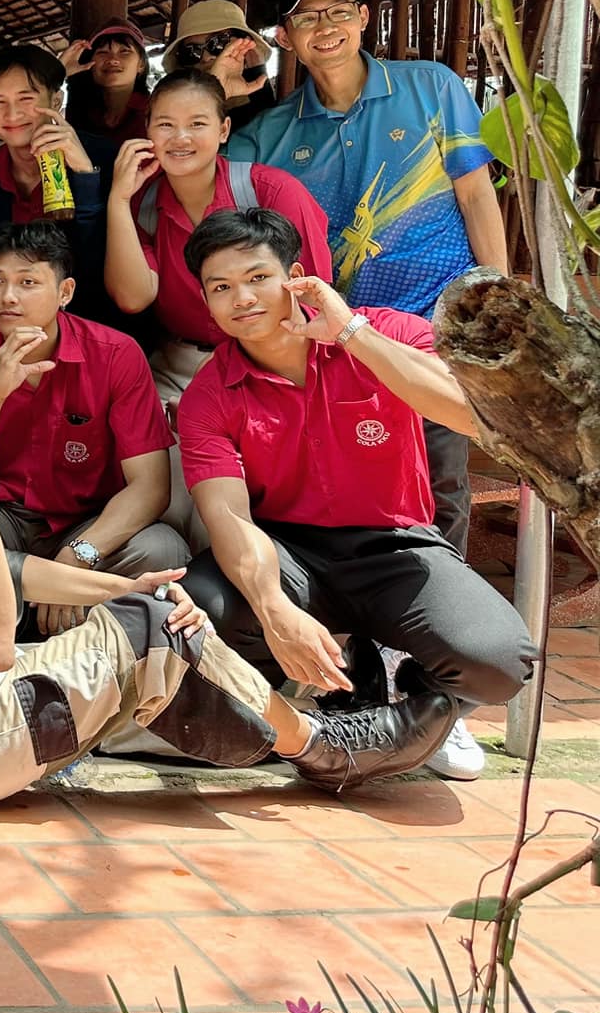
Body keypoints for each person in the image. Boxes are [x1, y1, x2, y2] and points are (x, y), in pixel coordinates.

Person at [0, 283, 462, 810]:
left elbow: (1, 570)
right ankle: (326, 748)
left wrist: (124, 587)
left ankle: (304, 732)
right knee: (156, 633)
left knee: (154, 613)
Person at [173, 208, 535, 782]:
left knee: (499, 661)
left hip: (397, 547)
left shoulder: (387, 331)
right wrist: (276, 612)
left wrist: (350, 334)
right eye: (221, 287)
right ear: (206, 301)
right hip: (291, 555)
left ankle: (403, 702)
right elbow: (230, 519)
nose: (242, 298)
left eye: (258, 277)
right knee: (199, 610)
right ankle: (335, 708)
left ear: (296, 277)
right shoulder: (209, 395)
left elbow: (470, 415)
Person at [228, 0, 504, 571]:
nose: (325, 26)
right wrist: (222, 87)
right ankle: (375, 604)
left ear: (362, 19)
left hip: (438, 318)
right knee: (362, 475)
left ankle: (447, 598)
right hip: (341, 335)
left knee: (442, 473)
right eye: (307, 17)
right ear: (284, 38)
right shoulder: (265, 135)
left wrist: (495, 294)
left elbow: (477, 194)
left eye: (338, 10)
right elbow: (204, 185)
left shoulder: (432, 86)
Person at [105, 70, 334, 530]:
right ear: (146, 131)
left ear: (224, 129)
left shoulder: (270, 191)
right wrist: (117, 199)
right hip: (179, 367)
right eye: (165, 124)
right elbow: (133, 297)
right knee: (170, 504)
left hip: (269, 364)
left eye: (197, 123)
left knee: (241, 514)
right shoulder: (143, 203)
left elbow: (314, 299)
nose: (180, 138)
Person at [0, 225, 187, 630]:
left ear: (65, 292)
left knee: (162, 549)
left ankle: (45, 614)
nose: (8, 297)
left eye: (27, 283)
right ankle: (38, 617)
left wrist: (76, 558)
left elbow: (150, 486)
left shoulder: (115, 354)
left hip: (88, 522)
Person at [0, 44, 117, 328]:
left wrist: (85, 176)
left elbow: (108, 264)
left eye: (26, 98)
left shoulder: (106, 159)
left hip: (94, 330)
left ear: (56, 101)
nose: (12, 114)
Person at [166, 0, 276, 132]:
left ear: (244, 43)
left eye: (217, 43)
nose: (206, 57)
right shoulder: (173, 108)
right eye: (191, 52)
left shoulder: (269, 102)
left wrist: (258, 73)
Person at [63, 21, 153, 144]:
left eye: (124, 51)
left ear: (141, 64)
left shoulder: (154, 111)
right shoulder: (80, 111)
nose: (113, 60)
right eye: (103, 52)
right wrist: (60, 72)